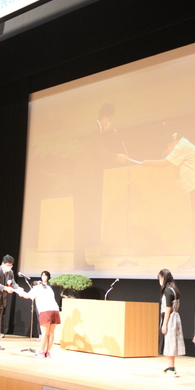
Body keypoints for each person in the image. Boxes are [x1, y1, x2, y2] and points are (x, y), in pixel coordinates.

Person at [142, 133, 195, 270]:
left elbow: (164, 163)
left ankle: (194, 261)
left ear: (170, 146)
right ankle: (194, 260)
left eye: (165, 152)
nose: (166, 155)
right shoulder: (181, 147)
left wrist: (149, 162)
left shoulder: (181, 146)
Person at [71, 103, 127, 269]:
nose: (110, 123)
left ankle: (80, 261)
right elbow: (100, 154)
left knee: (82, 224)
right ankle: (79, 262)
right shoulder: (94, 131)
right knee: (81, 224)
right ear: (104, 119)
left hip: (83, 184)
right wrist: (117, 157)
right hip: (83, 184)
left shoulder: (93, 132)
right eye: (109, 119)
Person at [20, 278, 60, 357]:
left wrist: (20, 292)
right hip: (55, 310)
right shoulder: (48, 288)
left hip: (46, 311)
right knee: (51, 332)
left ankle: (41, 352)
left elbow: (27, 296)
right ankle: (47, 352)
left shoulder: (36, 288)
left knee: (44, 333)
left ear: (34, 286)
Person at [157, 269, 185, 376]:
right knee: (170, 342)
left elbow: (168, 308)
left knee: (169, 342)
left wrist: (164, 324)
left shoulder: (167, 291)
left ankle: (172, 368)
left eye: (160, 278)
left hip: (169, 317)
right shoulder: (174, 289)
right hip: (175, 316)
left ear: (163, 278)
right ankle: (170, 366)